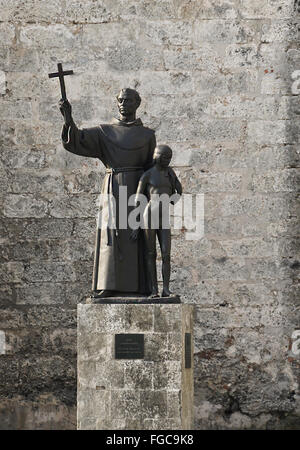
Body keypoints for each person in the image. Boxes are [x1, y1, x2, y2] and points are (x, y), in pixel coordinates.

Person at [59, 88, 156, 297]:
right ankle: (108, 285)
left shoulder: (148, 135)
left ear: (137, 103)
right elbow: (77, 140)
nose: (123, 103)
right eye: (120, 100)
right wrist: (68, 119)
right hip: (112, 189)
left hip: (137, 190)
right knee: (110, 235)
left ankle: (141, 287)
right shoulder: (104, 132)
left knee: (136, 236)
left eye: (128, 100)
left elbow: (151, 167)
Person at [131, 145, 182, 298]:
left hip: (164, 217)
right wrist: (136, 224)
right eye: (165, 157)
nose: (168, 161)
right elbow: (138, 199)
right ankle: (154, 290)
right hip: (150, 215)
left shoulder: (169, 173)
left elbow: (179, 190)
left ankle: (166, 289)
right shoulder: (147, 175)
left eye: (169, 158)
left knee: (166, 254)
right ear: (158, 157)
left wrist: (173, 198)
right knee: (151, 253)